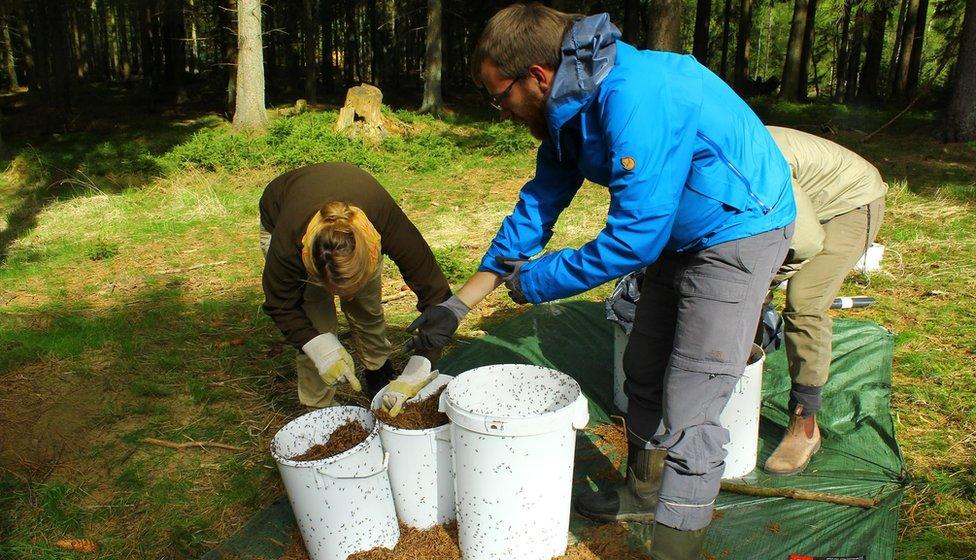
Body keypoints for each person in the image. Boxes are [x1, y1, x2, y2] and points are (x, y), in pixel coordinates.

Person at [405, 4, 795, 558]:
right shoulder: (569, 106)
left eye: (499, 97)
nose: (501, 111)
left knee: (690, 406)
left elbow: (633, 240)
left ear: (536, 76)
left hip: (738, 227)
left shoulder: (637, 95)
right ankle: (643, 489)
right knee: (643, 366)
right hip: (675, 231)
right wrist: (459, 306)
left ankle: (673, 550)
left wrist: (534, 282)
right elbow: (539, 204)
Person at [260, 163, 451, 414]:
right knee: (317, 323)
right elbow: (281, 305)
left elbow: (438, 296)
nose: (347, 296)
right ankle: (319, 408)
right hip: (282, 212)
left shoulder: (386, 223)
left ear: (371, 253)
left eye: (354, 285)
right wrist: (318, 347)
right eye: (338, 289)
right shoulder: (289, 247)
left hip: (360, 215)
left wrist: (419, 367)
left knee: (365, 307)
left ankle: (378, 372)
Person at [760, 126, 887, 475]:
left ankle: (805, 425)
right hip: (806, 196)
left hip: (851, 202)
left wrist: (763, 284)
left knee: (804, 302)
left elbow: (805, 243)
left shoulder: (759, 162)